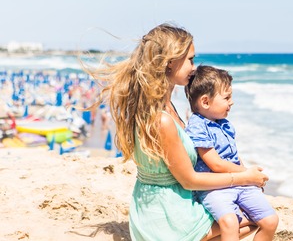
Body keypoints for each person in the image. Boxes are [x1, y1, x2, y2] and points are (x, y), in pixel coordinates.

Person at [83, 23, 268, 241]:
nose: (194, 67)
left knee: (249, 219)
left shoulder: (163, 107)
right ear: (170, 63)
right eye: (190, 59)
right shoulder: (162, 119)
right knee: (258, 220)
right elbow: (189, 181)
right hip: (168, 215)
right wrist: (243, 177)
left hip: (162, 205)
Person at [185, 65, 279, 241]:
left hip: (239, 183)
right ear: (205, 102)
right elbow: (216, 164)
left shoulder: (224, 123)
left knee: (270, 220)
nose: (232, 102)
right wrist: (247, 174)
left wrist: (251, 180)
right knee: (230, 222)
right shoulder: (197, 125)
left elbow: (234, 155)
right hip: (214, 187)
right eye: (227, 97)